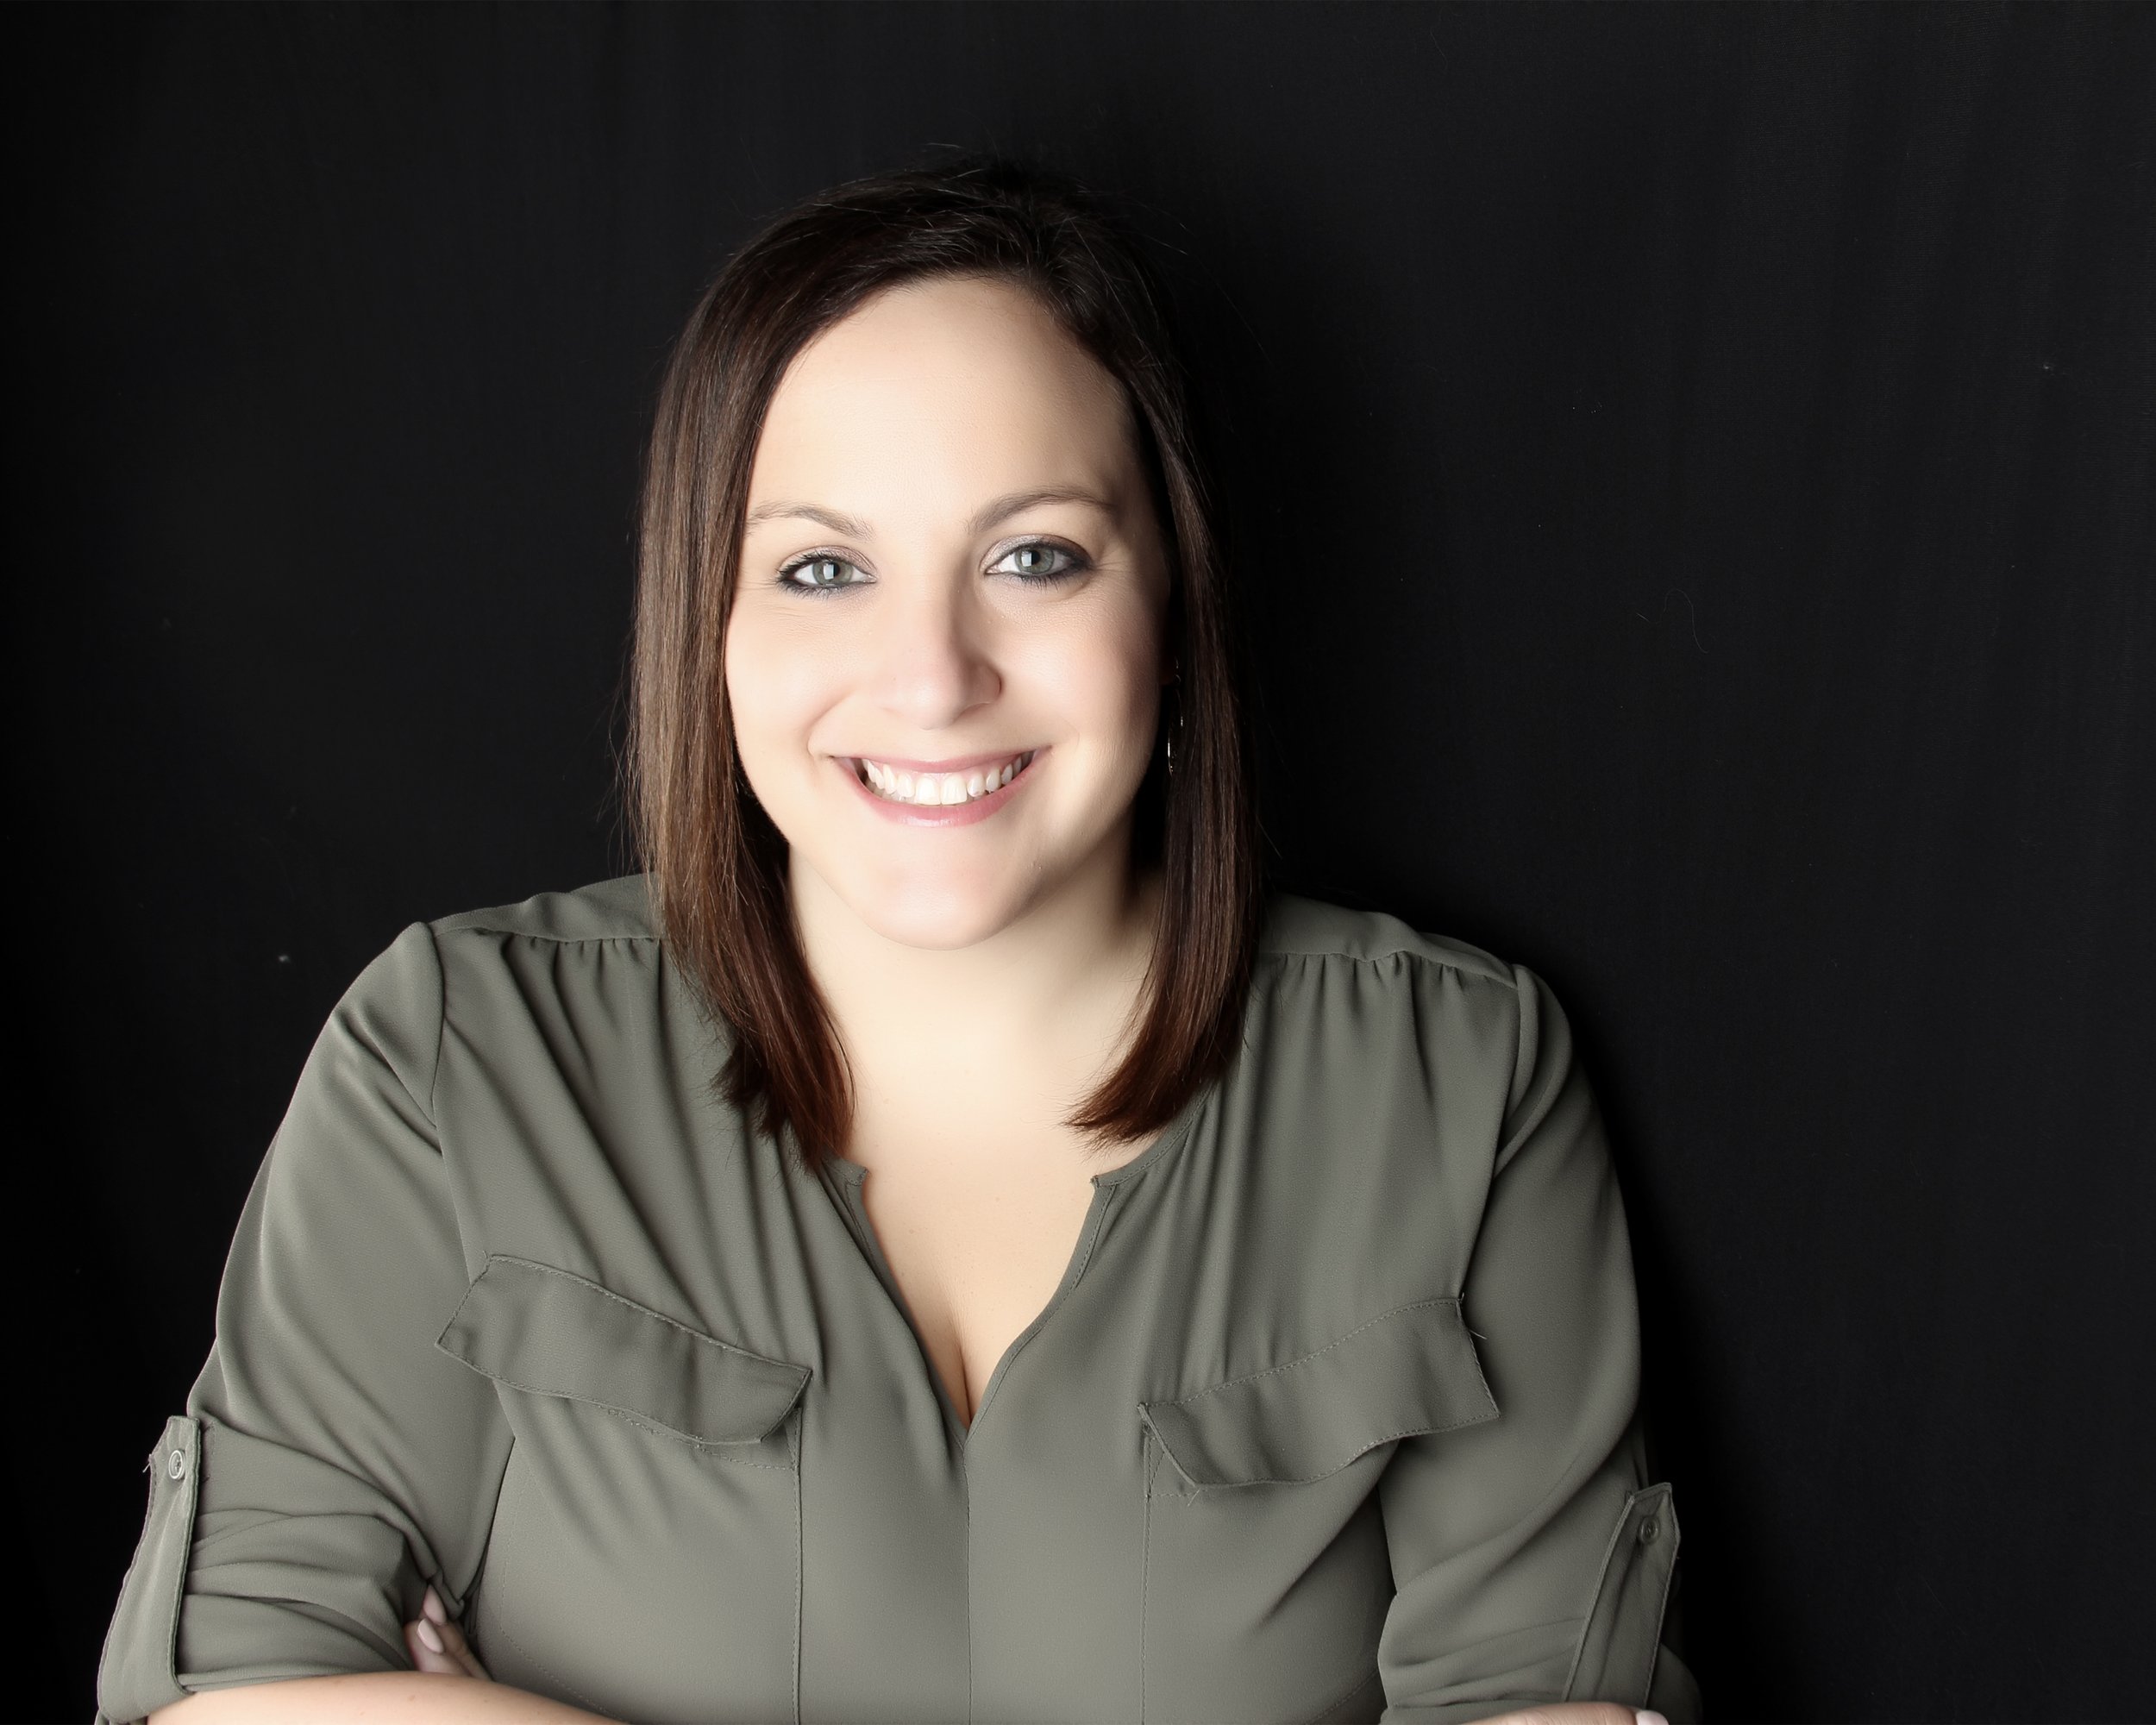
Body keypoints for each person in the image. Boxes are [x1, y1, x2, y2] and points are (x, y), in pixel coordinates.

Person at [94, 156, 1702, 1725]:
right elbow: (234, 1691)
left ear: (1177, 602)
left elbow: (1547, 1705)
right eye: (822, 569)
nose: (932, 676)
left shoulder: (1457, 1079)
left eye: (1033, 558)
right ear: (706, 626)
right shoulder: (459, 1058)